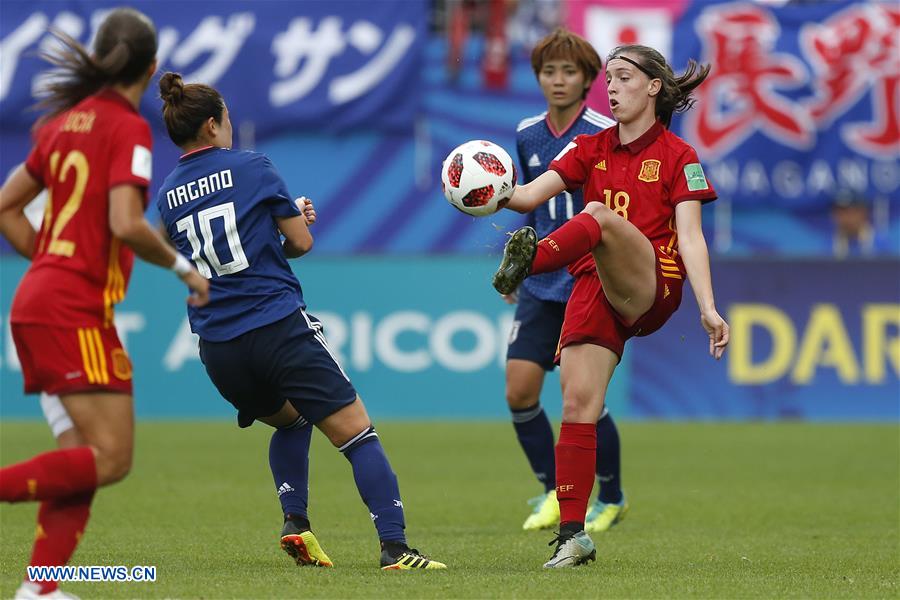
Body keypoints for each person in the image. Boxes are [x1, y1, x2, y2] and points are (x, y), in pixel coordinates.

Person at [155, 72, 446, 571]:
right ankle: (396, 549)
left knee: (292, 420)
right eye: (224, 117)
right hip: (275, 325)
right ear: (211, 124)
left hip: (219, 347)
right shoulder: (252, 166)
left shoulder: (166, 195)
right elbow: (300, 246)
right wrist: (289, 224)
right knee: (357, 433)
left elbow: (206, 253)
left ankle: (296, 523)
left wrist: (270, 227)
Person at [492, 44, 730, 568]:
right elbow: (529, 198)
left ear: (653, 88)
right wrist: (480, 188)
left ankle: (531, 263)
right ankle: (573, 536)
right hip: (594, 285)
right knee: (579, 404)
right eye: (611, 80)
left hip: (654, 285)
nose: (612, 87)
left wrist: (708, 308)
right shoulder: (589, 146)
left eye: (624, 78)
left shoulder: (679, 157)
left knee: (597, 214)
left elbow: (690, 239)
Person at [0, 9, 209, 599]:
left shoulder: (63, 124)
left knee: (84, 459)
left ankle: (40, 590)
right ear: (149, 66)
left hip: (40, 299)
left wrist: (48, 262)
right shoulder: (126, 128)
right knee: (112, 458)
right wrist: (182, 266)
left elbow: (6, 207)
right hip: (72, 309)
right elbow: (126, 222)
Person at [506, 28, 628, 534]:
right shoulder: (528, 132)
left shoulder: (602, 133)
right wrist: (519, 260)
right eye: (548, 71)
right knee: (519, 390)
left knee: (581, 398)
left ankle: (612, 497)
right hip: (539, 279)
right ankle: (554, 490)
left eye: (568, 71)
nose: (558, 80)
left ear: (587, 80)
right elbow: (529, 200)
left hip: (584, 275)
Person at [830, 190, 891, 258]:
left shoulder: (881, 244)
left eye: (852, 212)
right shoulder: (828, 244)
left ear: (863, 212)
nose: (846, 217)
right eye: (841, 212)